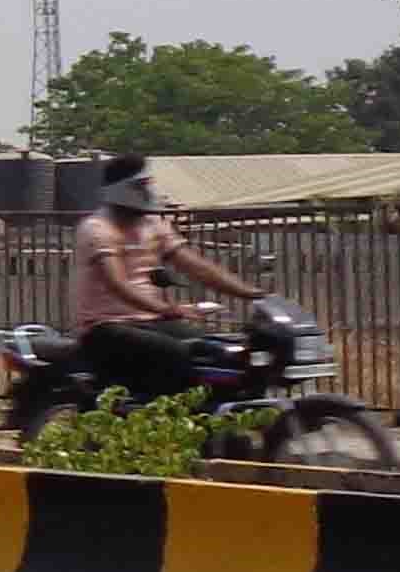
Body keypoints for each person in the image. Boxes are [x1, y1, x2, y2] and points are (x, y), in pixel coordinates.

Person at [67, 164, 262, 403]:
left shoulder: (152, 225)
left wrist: (253, 294)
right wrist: (169, 309)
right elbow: (117, 284)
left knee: (215, 350)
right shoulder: (97, 228)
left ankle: (216, 418)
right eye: (141, 186)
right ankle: (162, 423)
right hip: (103, 326)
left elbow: (198, 267)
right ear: (121, 190)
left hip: (149, 322)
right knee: (174, 353)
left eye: (148, 185)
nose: (149, 191)